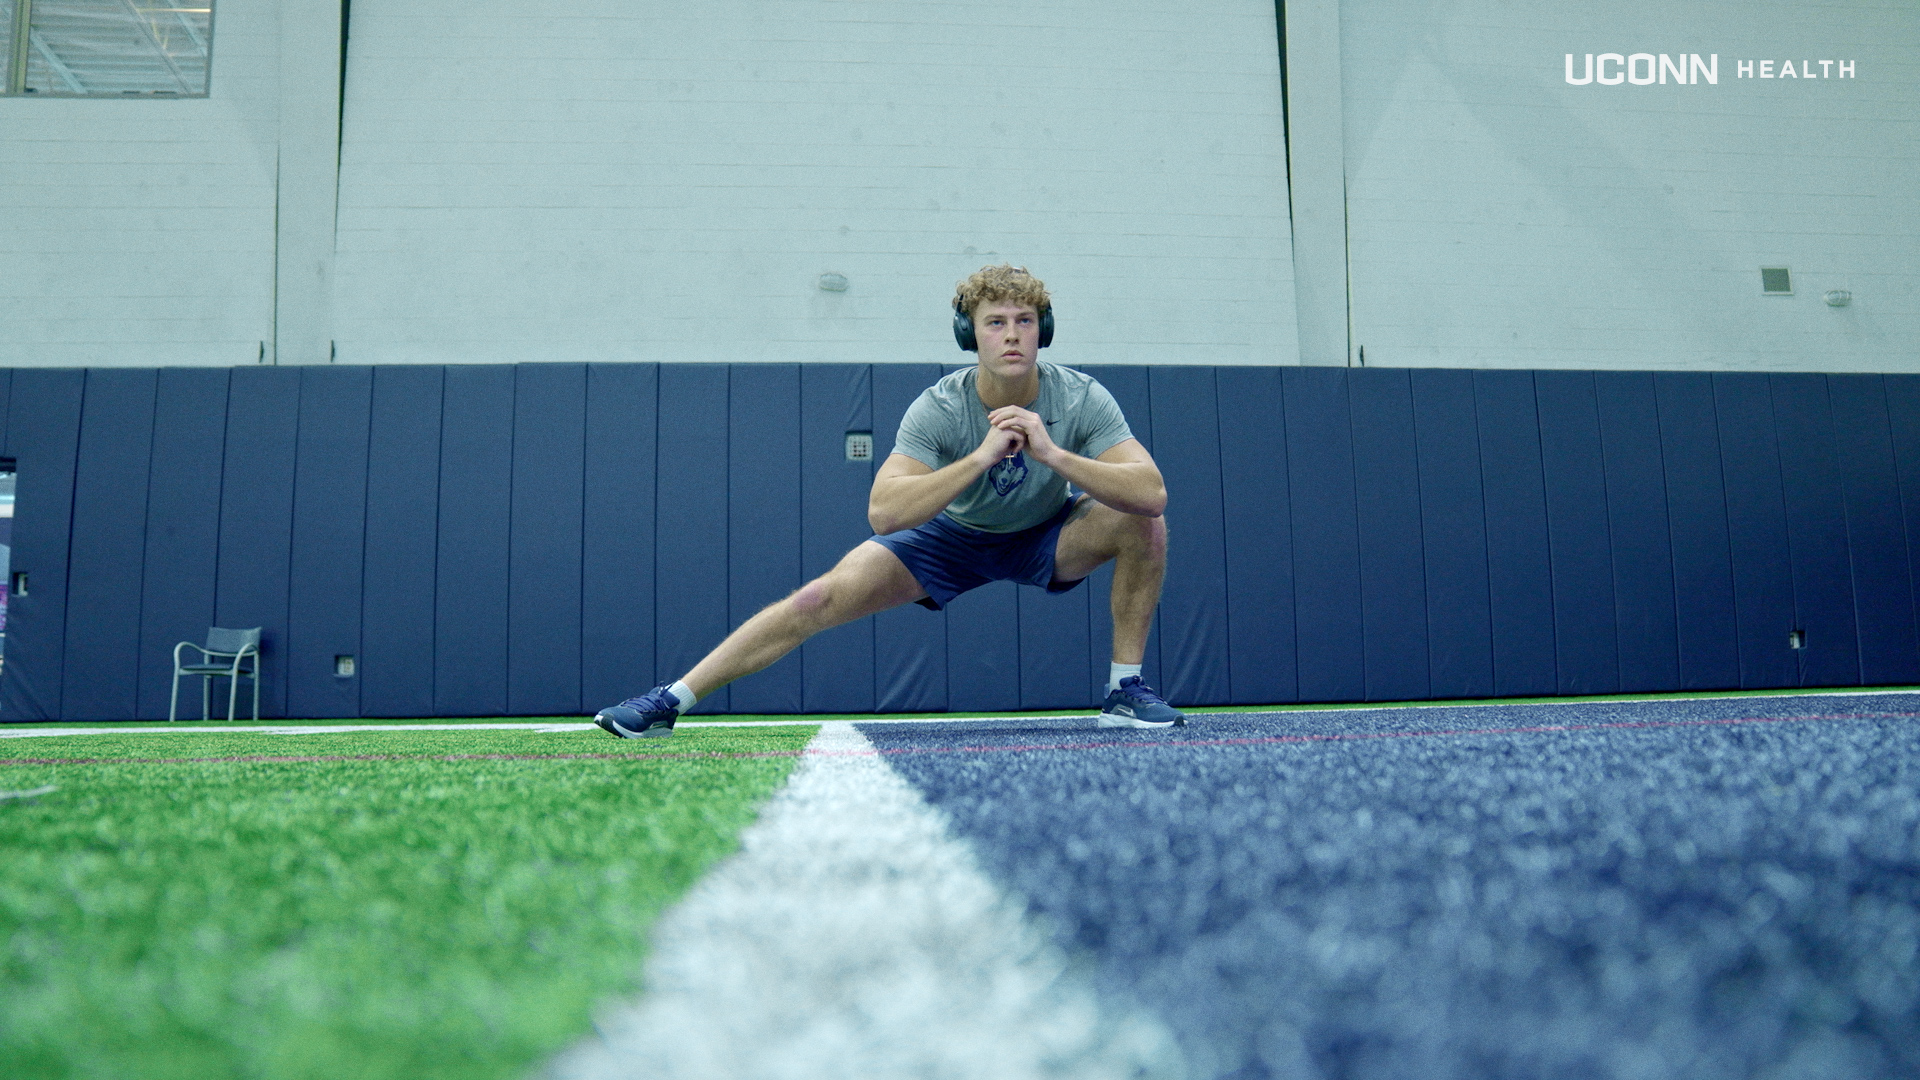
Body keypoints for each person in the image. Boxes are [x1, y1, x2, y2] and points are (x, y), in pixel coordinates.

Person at [595, 264, 1184, 737]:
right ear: (969, 334)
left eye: (1025, 320)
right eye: (995, 321)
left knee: (1143, 523)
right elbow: (885, 511)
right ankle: (669, 700)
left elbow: (1152, 491)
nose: (1011, 334)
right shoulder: (940, 406)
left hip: (1047, 533)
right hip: (950, 539)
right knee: (818, 597)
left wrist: (1054, 455)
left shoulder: (1081, 397)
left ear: (1042, 331)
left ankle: (1123, 691)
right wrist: (980, 457)